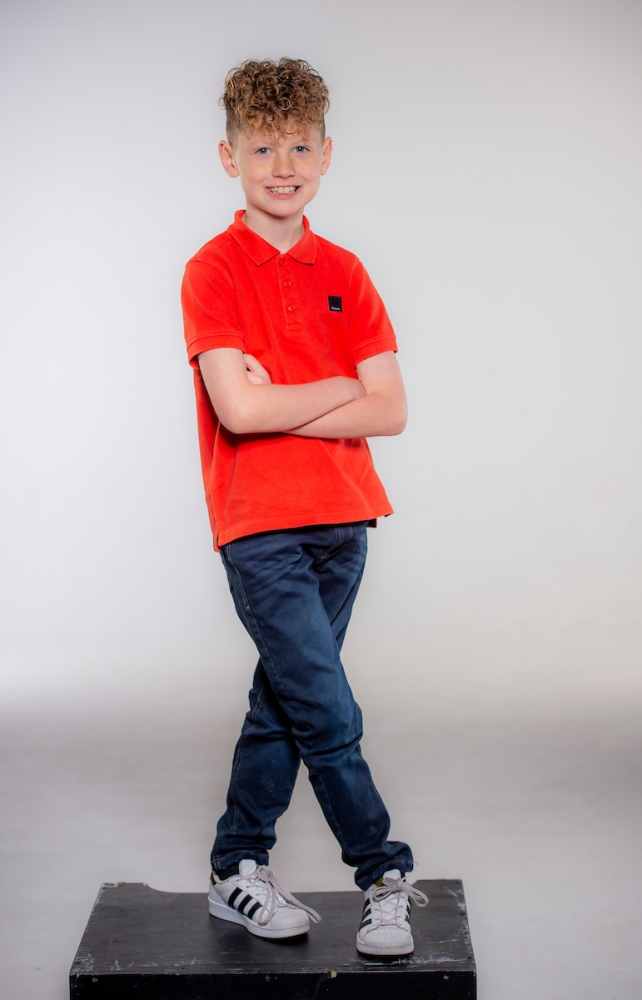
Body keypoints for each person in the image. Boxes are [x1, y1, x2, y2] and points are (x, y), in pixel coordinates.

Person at [181, 57, 427, 957]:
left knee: (284, 700)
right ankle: (383, 873)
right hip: (258, 526)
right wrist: (337, 388)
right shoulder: (212, 271)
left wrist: (284, 391)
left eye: (297, 148)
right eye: (261, 148)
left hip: (344, 520)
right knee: (323, 707)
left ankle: (236, 864)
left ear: (325, 154)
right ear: (229, 157)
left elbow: (390, 410)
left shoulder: (346, 272)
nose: (280, 166)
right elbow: (238, 413)